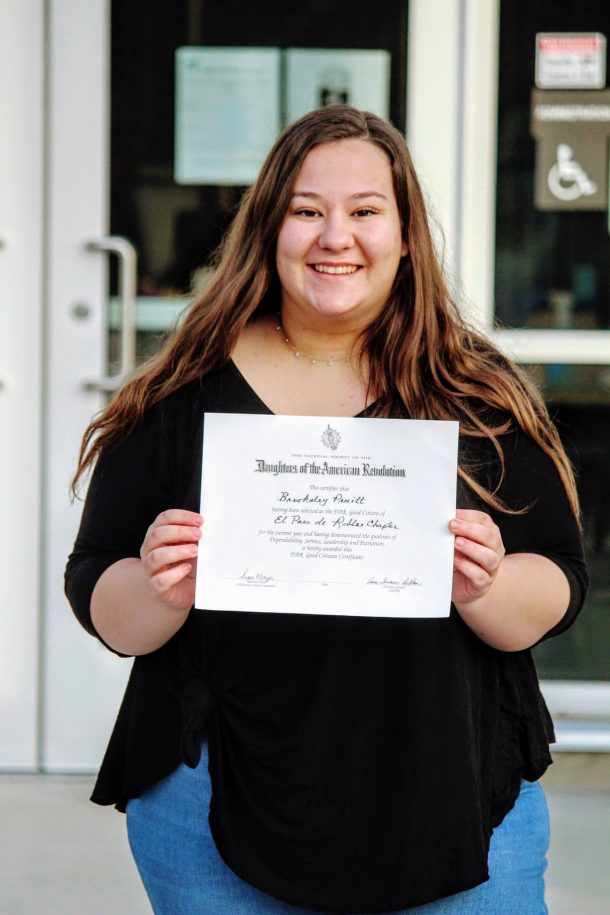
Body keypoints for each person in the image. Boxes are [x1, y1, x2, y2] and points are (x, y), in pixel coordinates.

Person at [65, 105, 588, 915]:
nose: (334, 236)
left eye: (365, 211)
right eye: (307, 210)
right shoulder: (183, 392)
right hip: (213, 810)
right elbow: (100, 593)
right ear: (270, 228)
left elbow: (557, 582)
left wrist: (485, 585)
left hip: (455, 809)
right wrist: (157, 585)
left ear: (406, 234)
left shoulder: (479, 393)